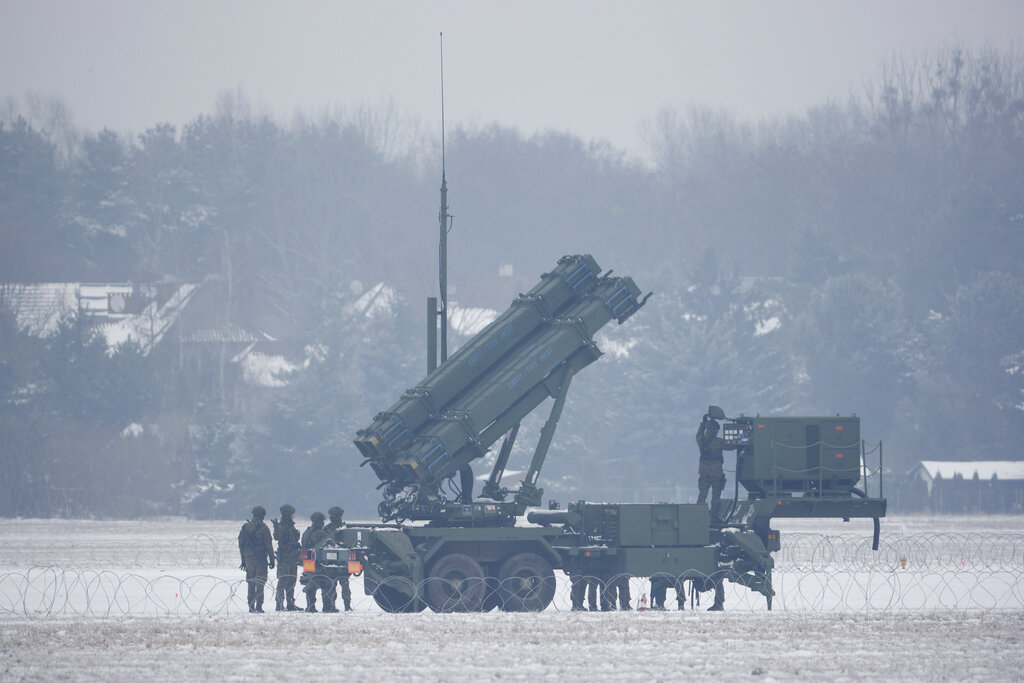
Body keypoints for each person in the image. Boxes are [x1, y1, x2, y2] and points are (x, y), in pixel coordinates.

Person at [696, 414, 738, 519]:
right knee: (716, 497)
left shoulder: (701, 440)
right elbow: (731, 446)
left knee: (702, 495)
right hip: (716, 473)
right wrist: (741, 442)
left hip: (704, 473)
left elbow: (699, 433)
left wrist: (703, 423)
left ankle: (698, 517)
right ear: (715, 430)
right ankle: (714, 517)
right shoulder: (718, 442)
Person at [238, 505, 274, 613]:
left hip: (249, 559)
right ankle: (259, 606)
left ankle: (251, 605)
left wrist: (243, 560)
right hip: (261, 559)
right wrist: (272, 559)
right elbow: (268, 545)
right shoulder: (264, 528)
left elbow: (241, 545)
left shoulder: (245, 527)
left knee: (251, 582)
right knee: (260, 582)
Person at [301, 511, 335, 612]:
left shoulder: (307, 532)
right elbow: (328, 546)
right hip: (321, 563)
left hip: (309, 562)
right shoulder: (321, 533)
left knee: (311, 585)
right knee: (327, 583)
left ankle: (310, 606)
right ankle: (327, 607)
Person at [272, 503, 301, 611]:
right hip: (285, 559)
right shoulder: (282, 526)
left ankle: (290, 603)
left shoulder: (290, 526)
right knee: (283, 582)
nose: (293, 516)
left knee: (292, 581)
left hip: (293, 558)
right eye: (292, 514)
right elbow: (277, 537)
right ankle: (279, 604)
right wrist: (276, 528)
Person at [324, 506, 352, 611]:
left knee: (341, 585)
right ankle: (339, 606)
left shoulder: (330, 529)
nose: (331, 517)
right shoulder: (345, 528)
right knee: (336, 585)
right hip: (337, 562)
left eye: (332, 516)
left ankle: (342, 606)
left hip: (337, 562)